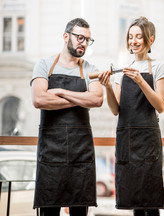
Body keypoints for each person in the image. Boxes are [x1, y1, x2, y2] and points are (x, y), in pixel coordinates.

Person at [30, 18, 103, 216]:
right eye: (80, 37)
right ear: (65, 36)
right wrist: (81, 99)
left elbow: (97, 99)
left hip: (81, 154)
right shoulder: (44, 65)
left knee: (79, 212)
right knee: (48, 212)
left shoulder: (90, 68)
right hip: (51, 154)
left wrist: (60, 91)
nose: (84, 43)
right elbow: (39, 99)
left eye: (88, 40)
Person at [98, 17, 164, 216]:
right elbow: (115, 109)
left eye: (139, 36)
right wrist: (108, 87)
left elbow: (160, 105)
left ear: (151, 39)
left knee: (151, 200)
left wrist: (140, 81)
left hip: (148, 141)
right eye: (131, 37)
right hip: (127, 140)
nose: (134, 41)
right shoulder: (122, 70)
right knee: (135, 201)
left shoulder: (158, 67)